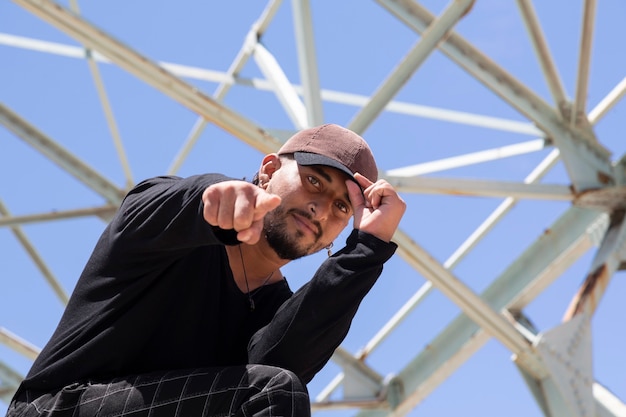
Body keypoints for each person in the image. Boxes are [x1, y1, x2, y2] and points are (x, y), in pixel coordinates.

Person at [6, 123, 406, 417]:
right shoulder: (166, 224)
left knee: (276, 388)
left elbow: (279, 367)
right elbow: (174, 205)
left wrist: (366, 249)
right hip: (55, 409)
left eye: (342, 206)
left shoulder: (278, 312)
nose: (322, 208)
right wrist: (217, 199)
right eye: (314, 180)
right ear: (267, 170)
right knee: (271, 391)